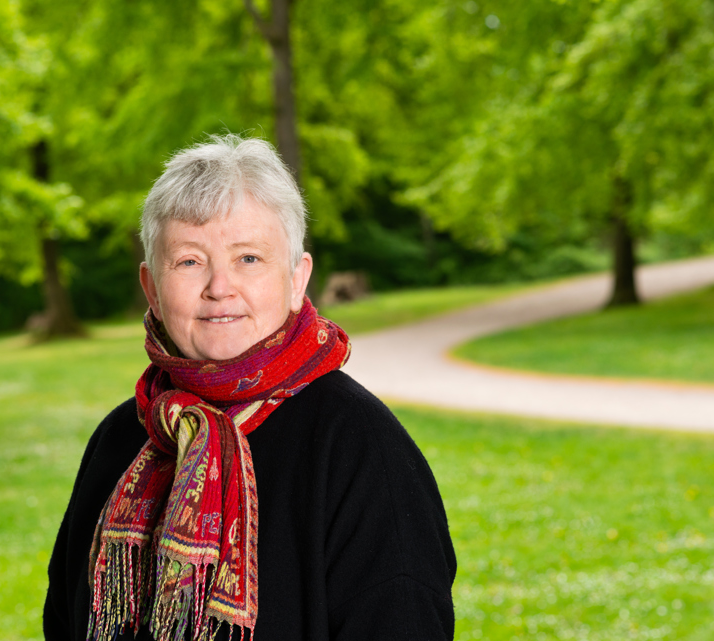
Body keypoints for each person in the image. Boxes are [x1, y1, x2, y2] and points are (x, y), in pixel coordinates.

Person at [43, 134, 456, 641]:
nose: (220, 287)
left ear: (297, 279)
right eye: (189, 261)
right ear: (151, 288)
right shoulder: (121, 438)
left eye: (249, 259)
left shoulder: (360, 446)